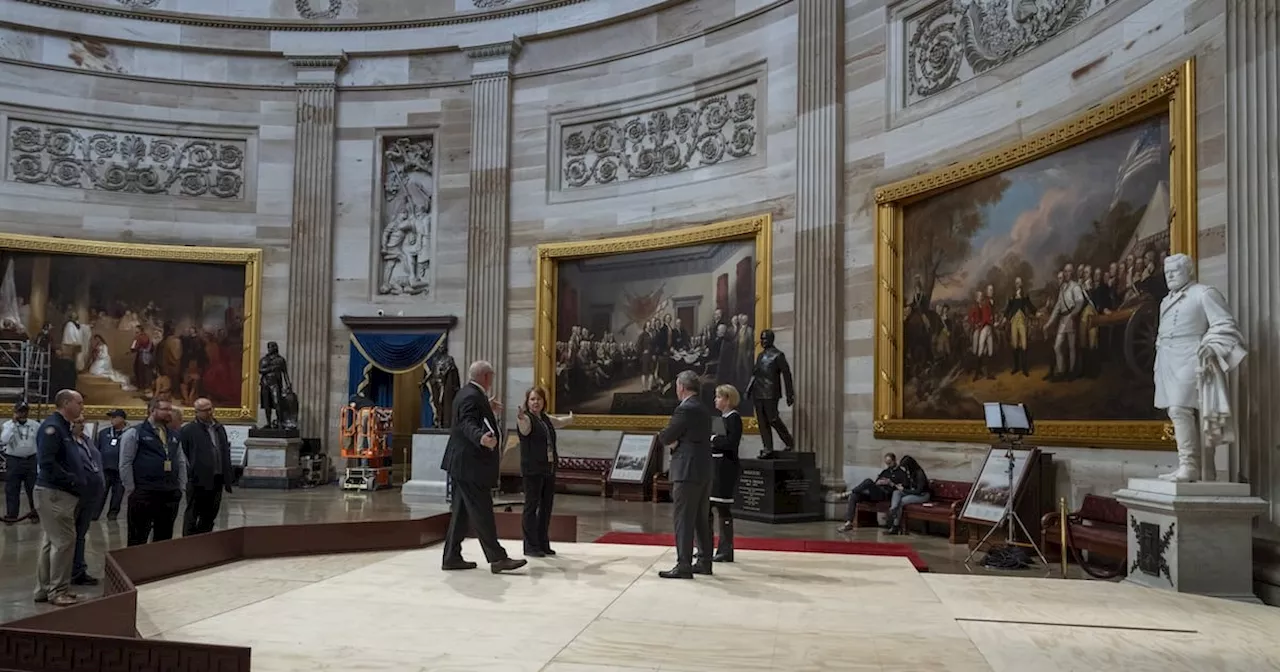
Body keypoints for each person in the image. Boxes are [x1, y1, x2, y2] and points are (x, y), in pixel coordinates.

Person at [439, 360, 527, 574]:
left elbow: (467, 416)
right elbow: (467, 422)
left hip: (462, 464)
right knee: (482, 511)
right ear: (486, 377)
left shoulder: (467, 393)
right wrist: (481, 438)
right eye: (492, 377)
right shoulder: (471, 396)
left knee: (460, 512)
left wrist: (487, 405)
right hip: (470, 465)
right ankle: (497, 558)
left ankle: (451, 556)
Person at [656, 369, 714, 579]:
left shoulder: (685, 409)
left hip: (686, 470)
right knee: (701, 518)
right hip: (704, 469)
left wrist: (671, 440)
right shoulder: (704, 408)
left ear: (680, 387)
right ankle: (705, 561)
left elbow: (666, 436)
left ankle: (684, 565)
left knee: (683, 518)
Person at [33, 389, 85, 607]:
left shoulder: (64, 427)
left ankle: (44, 589)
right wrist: (72, 480)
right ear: (66, 403)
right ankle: (58, 591)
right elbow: (47, 462)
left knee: (51, 542)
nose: (82, 407)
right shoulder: (53, 428)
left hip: (58, 493)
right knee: (64, 542)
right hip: (55, 493)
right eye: (79, 403)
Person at [120, 398, 187, 546]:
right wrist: (131, 489)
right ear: (152, 410)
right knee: (138, 536)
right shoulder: (134, 433)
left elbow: (180, 461)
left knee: (164, 537)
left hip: (169, 493)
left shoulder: (173, 435)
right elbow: (125, 462)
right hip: (144, 492)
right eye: (165, 409)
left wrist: (181, 486)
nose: (169, 413)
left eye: (170, 409)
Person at [515, 386, 573, 558]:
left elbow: (559, 422)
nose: (535, 402)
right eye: (532, 399)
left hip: (548, 469)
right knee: (531, 507)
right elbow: (524, 428)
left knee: (546, 507)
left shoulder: (545, 419)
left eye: (538, 399)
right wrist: (520, 418)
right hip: (533, 470)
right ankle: (530, 546)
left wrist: (571, 418)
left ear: (543, 402)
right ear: (527, 401)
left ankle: (542, 543)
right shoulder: (526, 419)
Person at [180, 398, 233, 536]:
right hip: (197, 479)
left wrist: (228, 476)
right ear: (196, 412)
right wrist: (189, 472)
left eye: (210, 409)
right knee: (193, 512)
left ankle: (205, 538)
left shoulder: (219, 428)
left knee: (211, 512)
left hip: (217, 477)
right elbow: (183, 453)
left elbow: (224, 451)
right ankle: (189, 541)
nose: (209, 412)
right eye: (205, 410)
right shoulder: (188, 430)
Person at [708, 384, 741, 563]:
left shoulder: (734, 418)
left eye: (719, 397)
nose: (716, 400)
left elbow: (730, 442)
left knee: (723, 508)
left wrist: (713, 439)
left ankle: (726, 549)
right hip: (715, 466)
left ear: (728, 399)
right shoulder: (720, 419)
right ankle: (706, 547)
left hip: (726, 469)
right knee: (707, 507)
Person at [69, 415, 103, 587]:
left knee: (81, 534)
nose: (81, 425)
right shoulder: (67, 443)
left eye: (83, 422)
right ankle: (66, 572)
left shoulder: (87, 441)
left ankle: (79, 569)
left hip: (91, 494)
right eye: (78, 422)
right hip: (74, 494)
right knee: (69, 535)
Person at [836, 452, 905, 533]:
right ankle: (848, 522)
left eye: (889, 463)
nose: (888, 465)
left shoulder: (901, 473)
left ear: (894, 461)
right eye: (886, 463)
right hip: (875, 492)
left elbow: (901, 488)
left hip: (885, 494)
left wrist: (890, 483)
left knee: (868, 481)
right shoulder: (885, 471)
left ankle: (848, 493)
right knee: (855, 496)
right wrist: (879, 482)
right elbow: (876, 482)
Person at [2, 400, 39, 524]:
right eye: (20, 411)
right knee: (12, 488)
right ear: (15, 412)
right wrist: (13, 424)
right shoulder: (8, 425)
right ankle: (12, 515)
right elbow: (4, 440)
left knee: (32, 488)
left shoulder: (35, 425)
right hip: (14, 460)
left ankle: (35, 513)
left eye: (24, 411)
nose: (22, 414)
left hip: (31, 459)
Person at [95, 409, 128, 521]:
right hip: (105, 467)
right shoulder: (104, 433)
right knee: (101, 492)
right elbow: (96, 449)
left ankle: (113, 513)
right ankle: (95, 514)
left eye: (114, 417)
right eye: (111, 417)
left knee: (118, 493)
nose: (112, 420)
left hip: (121, 469)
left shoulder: (130, 433)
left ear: (122, 419)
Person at [884, 456, 931, 535]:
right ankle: (893, 509)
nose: (905, 469)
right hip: (912, 492)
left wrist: (904, 490)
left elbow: (919, 491)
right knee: (896, 492)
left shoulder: (920, 474)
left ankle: (895, 526)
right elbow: (907, 485)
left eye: (905, 467)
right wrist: (899, 486)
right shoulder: (909, 472)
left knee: (901, 501)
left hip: (922, 495)